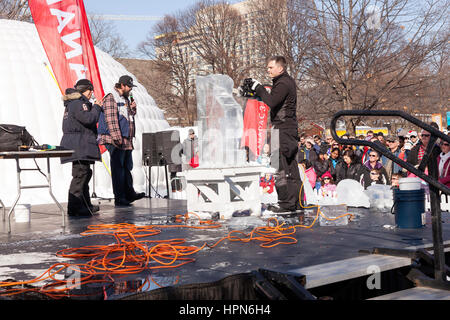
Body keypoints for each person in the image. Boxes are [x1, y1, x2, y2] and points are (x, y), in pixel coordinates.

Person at [249, 56, 301, 213]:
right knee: (291, 166)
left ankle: (286, 203)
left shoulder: (283, 83)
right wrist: (256, 93)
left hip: (283, 129)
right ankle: (296, 202)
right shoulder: (285, 82)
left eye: (271, 67)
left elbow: (272, 101)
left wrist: (259, 88)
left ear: (280, 68)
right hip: (287, 129)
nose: (268, 70)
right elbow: (274, 100)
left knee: (282, 167)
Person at [98, 75, 145, 207]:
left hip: (126, 139)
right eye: (129, 86)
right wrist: (117, 139)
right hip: (115, 139)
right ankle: (120, 197)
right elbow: (111, 119)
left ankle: (129, 193)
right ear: (122, 85)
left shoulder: (125, 98)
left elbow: (127, 116)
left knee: (127, 167)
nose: (130, 89)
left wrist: (133, 108)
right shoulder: (111, 97)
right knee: (118, 168)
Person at [60, 79, 102, 217]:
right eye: (91, 90)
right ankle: (74, 208)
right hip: (79, 144)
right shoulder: (79, 103)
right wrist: (96, 107)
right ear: (86, 90)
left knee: (85, 174)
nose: (92, 93)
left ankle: (85, 205)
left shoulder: (73, 103)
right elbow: (89, 119)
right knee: (80, 175)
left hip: (79, 143)